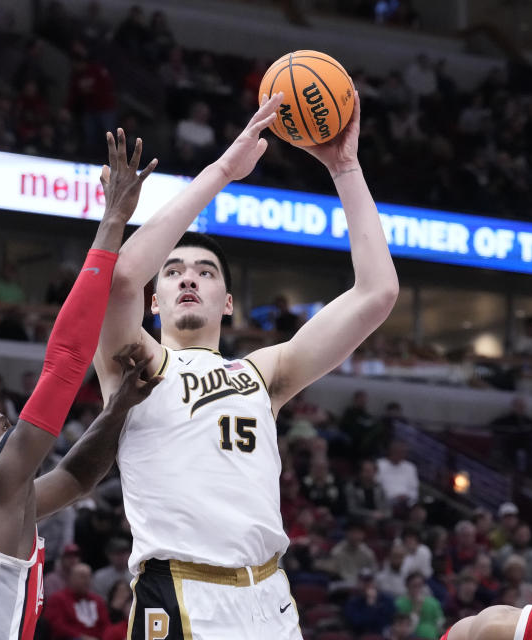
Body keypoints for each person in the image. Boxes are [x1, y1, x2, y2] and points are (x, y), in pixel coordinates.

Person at [93, 91, 397, 639]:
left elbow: (376, 293)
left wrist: (346, 168)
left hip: (269, 600)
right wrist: (224, 170)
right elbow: (116, 279)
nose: (189, 278)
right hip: (183, 594)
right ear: (153, 300)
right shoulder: (135, 363)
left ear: (228, 303)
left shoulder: (262, 373)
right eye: (174, 271)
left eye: (206, 272)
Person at [0, 134, 160, 638]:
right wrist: (113, 221)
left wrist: (119, 408)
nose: (14, 422)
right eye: (2, 422)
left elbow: (76, 478)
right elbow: (65, 360)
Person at [45, 563, 110, 640]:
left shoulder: (97, 600)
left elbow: (106, 625)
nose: (87, 580)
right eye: (82, 577)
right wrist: (81, 637)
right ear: (71, 578)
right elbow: (57, 626)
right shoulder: (57, 599)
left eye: (89, 577)